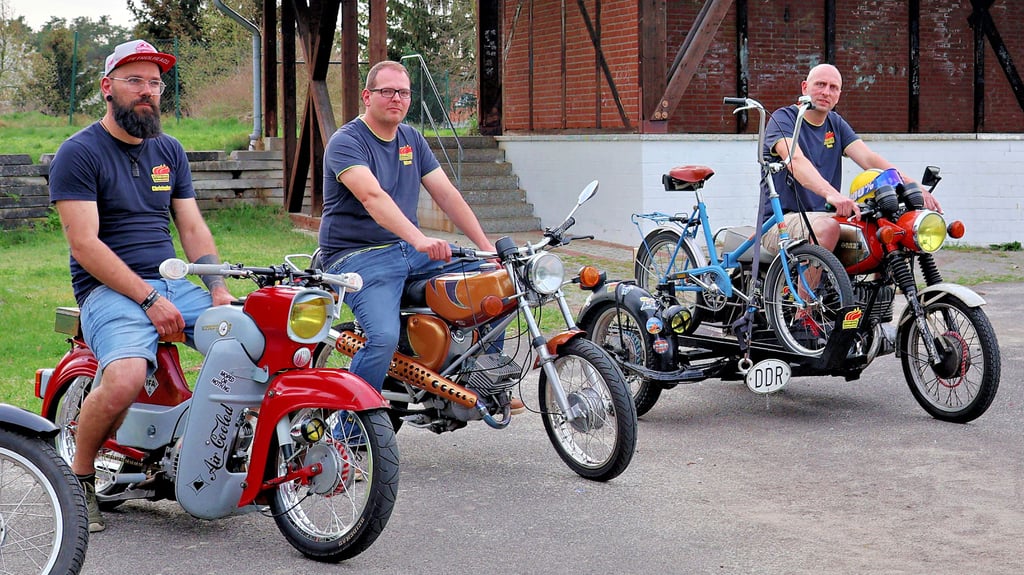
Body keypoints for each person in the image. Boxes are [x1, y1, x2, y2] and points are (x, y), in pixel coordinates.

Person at [48, 39, 235, 533]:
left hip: (176, 284)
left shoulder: (168, 150)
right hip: (108, 291)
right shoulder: (78, 152)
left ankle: (211, 447)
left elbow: (191, 227)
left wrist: (217, 287)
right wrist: (148, 298)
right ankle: (79, 479)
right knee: (127, 377)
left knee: (252, 340)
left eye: (155, 82)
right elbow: (85, 245)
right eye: (135, 81)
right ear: (107, 88)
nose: (147, 90)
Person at [318, 60, 522, 419]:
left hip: (407, 250)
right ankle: (348, 430)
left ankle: (480, 385)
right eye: (387, 91)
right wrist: (419, 239)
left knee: (496, 285)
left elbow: (447, 194)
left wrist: (486, 248)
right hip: (357, 256)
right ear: (367, 96)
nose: (396, 98)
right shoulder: (347, 141)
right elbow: (372, 198)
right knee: (382, 337)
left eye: (403, 92)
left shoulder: (411, 139)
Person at [761, 63, 941, 252]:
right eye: (820, 84)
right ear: (805, 87)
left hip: (825, 217)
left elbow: (869, 159)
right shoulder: (783, 119)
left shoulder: (835, 123)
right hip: (780, 223)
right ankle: (811, 274)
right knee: (828, 228)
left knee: (878, 233)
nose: (826, 92)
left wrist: (913, 186)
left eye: (833, 87)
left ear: (839, 94)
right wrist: (832, 194)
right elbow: (795, 160)